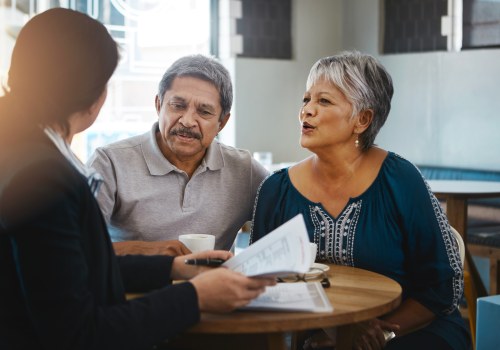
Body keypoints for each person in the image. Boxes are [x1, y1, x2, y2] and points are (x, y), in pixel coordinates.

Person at [0, 8, 274, 350]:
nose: (188, 120)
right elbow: (79, 334)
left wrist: (174, 268)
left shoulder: (19, 152)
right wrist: (195, 297)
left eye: (204, 111)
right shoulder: (42, 176)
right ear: (90, 95)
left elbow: (68, 271)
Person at [250, 51, 470, 350]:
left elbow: (442, 285)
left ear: (362, 119)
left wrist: (384, 332)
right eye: (306, 100)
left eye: (323, 101)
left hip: (410, 330)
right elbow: (259, 284)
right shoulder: (275, 190)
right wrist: (318, 336)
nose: (306, 111)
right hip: (311, 333)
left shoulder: (400, 179)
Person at [87, 54, 268, 255]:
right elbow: (80, 248)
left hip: (213, 286)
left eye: (204, 112)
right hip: (133, 286)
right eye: (178, 106)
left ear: (222, 123)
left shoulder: (245, 170)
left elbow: (292, 225)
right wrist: (154, 251)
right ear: (158, 105)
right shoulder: (109, 162)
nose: (187, 121)